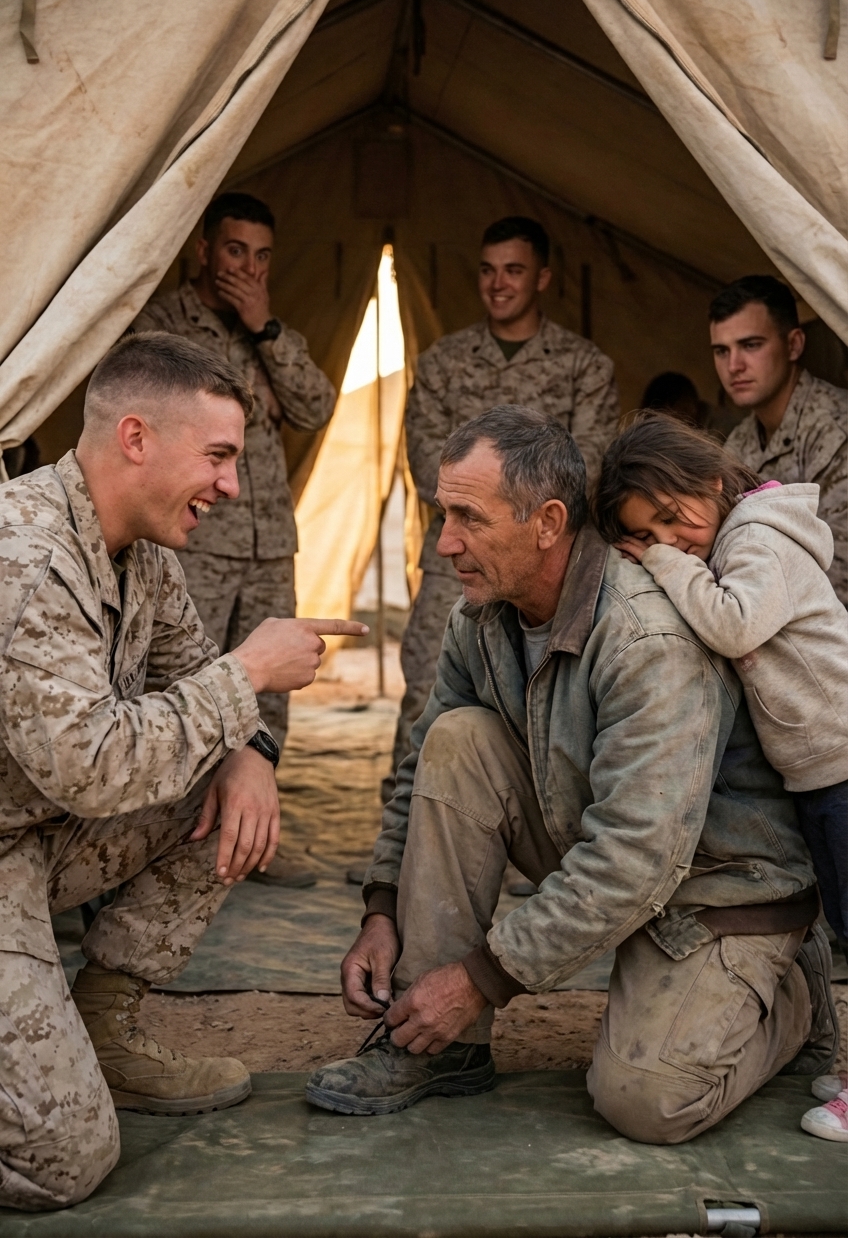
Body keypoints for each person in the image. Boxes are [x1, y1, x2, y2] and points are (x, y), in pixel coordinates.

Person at [306, 405, 835, 1142]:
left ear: (548, 523)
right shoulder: (478, 617)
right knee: (455, 742)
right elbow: (417, 766)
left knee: (646, 1102)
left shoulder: (645, 636)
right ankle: (438, 1046)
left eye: (469, 518)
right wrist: (382, 909)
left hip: (721, 887)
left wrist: (481, 979)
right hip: (602, 841)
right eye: (442, 514)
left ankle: (794, 996)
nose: (446, 542)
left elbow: (637, 855)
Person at [0, 332, 365, 1211]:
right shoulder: (27, 555)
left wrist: (253, 755)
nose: (233, 485)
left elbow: (191, 673)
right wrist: (251, 673)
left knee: (223, 787)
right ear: (136, 438)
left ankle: (104, 1027)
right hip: (27, 833)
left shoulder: (142, 551)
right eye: (218, 456)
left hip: (32, 836)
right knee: (63, 1162)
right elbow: (92, 767)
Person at [592, 412, 848, 1141]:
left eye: (673, 517)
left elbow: (734, 624)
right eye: (648, 532)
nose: (670, 539)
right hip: (820, 774)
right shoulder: (734, 537)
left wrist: (663, 562)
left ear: (712, 481)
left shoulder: (759, 537)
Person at [133, 192, 338, 886]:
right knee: (185, 688)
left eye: (262, 256)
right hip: (193, 541)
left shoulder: (268, 330)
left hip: (268, 539)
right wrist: (256, 396)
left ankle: (253, 841)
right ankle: (170, 843)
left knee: (268, 695)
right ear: (203, 249)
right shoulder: (163, 325)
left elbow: (315, 406)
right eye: (234, 251)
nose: (248, 269)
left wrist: (265, 330)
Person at [389, 215, 620, 793]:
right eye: (488, 270)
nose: (498, 283)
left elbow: (589, 470)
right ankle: (409, 824)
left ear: (541, 278)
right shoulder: (443, 363)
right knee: (427, 693)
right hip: (455, 554)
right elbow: (426, 462)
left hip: (552, 561)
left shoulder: (583, 366)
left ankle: (541, 830)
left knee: (555, 696)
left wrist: (503, 504)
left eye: (513, 270)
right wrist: (487, 504)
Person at [709, 275, 847, 607]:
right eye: (721, 351)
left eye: (751, 345)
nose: (734, 366)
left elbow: (837, 579)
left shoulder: (836, 430)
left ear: (794, 345)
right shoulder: (739, 442)